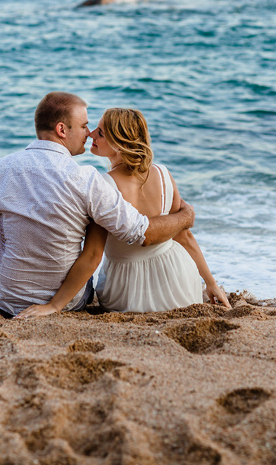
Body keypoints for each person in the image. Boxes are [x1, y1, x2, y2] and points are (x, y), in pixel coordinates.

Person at [0, 92, 196, 317]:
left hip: (6, 301)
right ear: (61, 129)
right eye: (84, 126)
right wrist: (185, 216)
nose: (89, 133)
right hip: (71, 302)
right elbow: (140, 231)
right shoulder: (88, 179)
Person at [16, 108, 229, 317]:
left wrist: (55, 305)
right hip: (179, 282)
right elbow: (184, 235)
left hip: (128, 291)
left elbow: (92, 255)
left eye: (100, 132)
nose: (90, 134)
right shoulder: (164, 174)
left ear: (118, 144)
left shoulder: (104, 184)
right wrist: (210, 284)